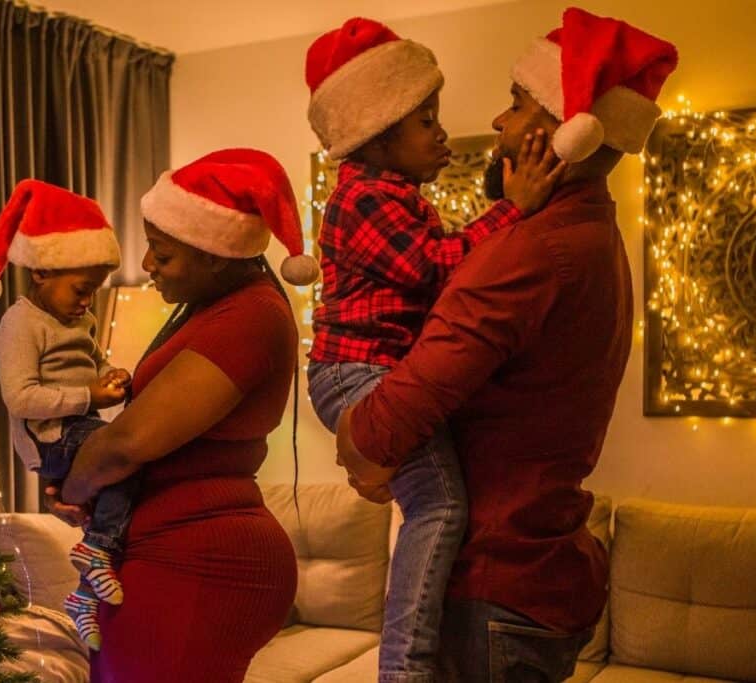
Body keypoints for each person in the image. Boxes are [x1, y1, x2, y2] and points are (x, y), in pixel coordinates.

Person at [335, 8, 678, 682]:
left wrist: (355, 435)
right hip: (535, 575)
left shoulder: (532, 251)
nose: (498, 123)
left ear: (563, 135)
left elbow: (387, 424)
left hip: (493, 582)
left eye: (517, 104)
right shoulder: (591, 237)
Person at [304, 17, 564, 681]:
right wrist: (515, 208)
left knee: (434, 497)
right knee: (441, 505)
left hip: (375, 370)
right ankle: (405, 670)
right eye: (426, 119)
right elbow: (433, 270)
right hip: (355, 372)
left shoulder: (396, 195)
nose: (441, 132)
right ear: (380, 133)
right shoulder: (362, 198)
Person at [50, 148, 319, 683]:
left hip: (202, 562)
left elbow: (128, 442)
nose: (147, 266)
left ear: (216, 253)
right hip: (175, 550)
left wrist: (74, 486)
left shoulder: (250, 315)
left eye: (163, 254)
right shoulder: (215, 308)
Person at [0, 179, 135, 650]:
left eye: (95, 291)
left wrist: (109, 374)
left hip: (80, 425)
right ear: (41, 272)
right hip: (51, 435)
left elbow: (90, 362)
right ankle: (95, 552)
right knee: (127, 455)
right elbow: (20, 398)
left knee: (123, 482)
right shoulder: (21, 323)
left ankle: (85, 595)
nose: (88, 301)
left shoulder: (79, 320)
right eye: (82, 289)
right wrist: (89, 396)